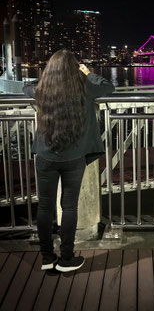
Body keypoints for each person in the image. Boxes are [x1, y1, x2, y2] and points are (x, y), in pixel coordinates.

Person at [22, 49, 115, 272]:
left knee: (44, 206)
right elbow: (108, 87)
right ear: (75, 68)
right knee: (69, 206)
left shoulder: (42, 88)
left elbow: (25, 86)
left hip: (45, 155)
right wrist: (88, 73)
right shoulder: (84, 86)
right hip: (74, 156)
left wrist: (46, 75)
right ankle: (66, 258)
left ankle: (46, 257)